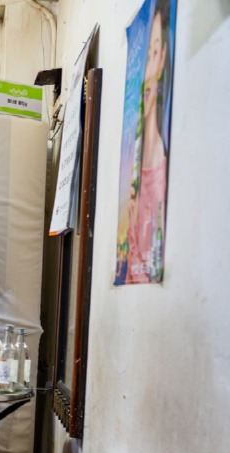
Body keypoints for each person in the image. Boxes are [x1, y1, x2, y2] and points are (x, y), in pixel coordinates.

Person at [125, 0, 171, 284]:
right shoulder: (134, 173)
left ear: (164, 57)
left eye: (154, 52)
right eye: (147, 55)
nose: (147, 76)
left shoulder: (162, 177)